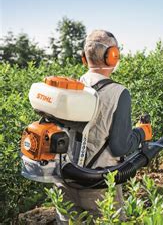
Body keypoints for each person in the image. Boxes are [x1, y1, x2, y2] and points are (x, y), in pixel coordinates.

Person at [55, 30, 153, 223]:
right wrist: (142, 133)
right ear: (113, 56)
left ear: (84, 58)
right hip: (98, 184)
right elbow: (120, 146)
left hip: (64, 180)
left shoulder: (72, 87)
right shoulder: (119, 93)